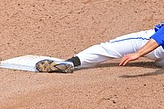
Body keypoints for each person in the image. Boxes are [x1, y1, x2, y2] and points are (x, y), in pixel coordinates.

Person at [36, 22, 164, 73]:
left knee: (107, 48)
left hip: (151, 44)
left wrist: (138, 54)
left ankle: (70, 63)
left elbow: (161, 35)